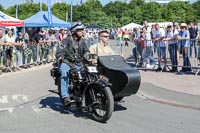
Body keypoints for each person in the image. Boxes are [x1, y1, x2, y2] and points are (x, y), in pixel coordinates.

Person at [56, 22, 90, 106]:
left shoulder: (82, 41)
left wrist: (89, 57)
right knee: (64, 73)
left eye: (82, 30)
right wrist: (60, 56)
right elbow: (60, 51)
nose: (82, 31)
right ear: (74, 31)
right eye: (80, 30)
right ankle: (65, 96)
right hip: (67, 62)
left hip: (79, 63)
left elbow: (86, 51)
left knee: (90, 74)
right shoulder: (66, 40)